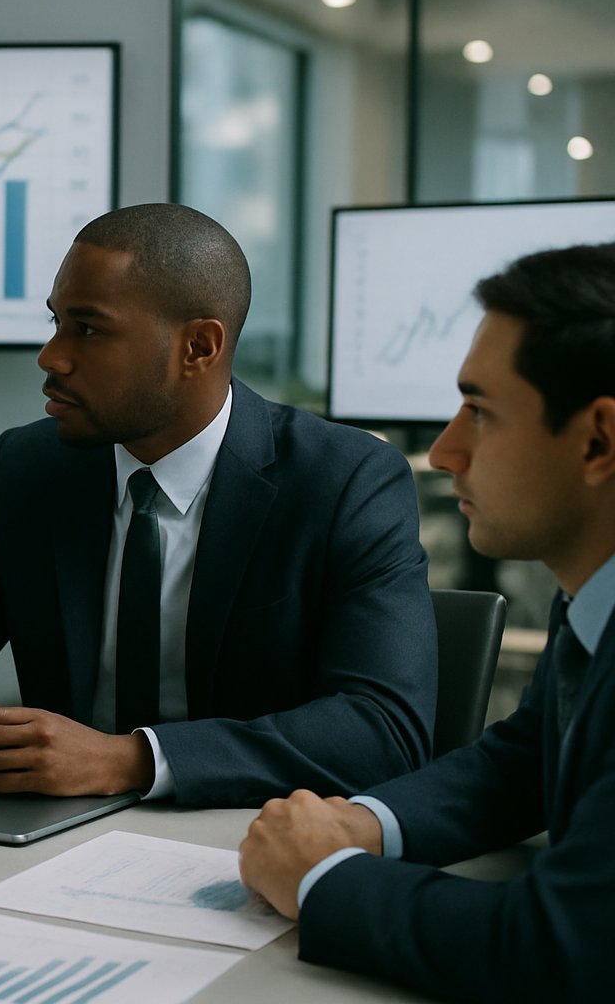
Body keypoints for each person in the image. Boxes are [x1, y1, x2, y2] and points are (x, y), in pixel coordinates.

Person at [0, 203, 437, 807]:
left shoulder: (345, 481)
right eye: (55, 323)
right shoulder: (30, 468)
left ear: (198, 347)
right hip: (46, 834)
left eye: (88, 329)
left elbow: (384, 729)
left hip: (242, 835)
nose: (51, 357)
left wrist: (128, 760)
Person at [239, 242, 615, 1001]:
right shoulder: (593, 597)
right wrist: (366, 825)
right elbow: (527, 758)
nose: (445, 451)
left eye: (480, 410)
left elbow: (558, 947)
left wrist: (322, 877)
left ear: (598, 440)